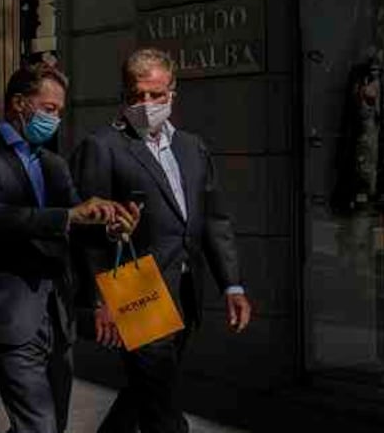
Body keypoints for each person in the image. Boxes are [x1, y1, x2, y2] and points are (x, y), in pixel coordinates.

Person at [70, 48, 251, 433]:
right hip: (136, 283)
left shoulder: (191, 146)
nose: (146, 104)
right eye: (137, 96)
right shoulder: (102, 146)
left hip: (185, 285)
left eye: (156, 95)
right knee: (160, 400)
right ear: (124, 95)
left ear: (172, 92)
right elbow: (87, 232)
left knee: (148, 387)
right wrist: (100, 299)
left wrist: (231, 283)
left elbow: (214, 219)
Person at [0, 61, 138, 433]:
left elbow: (77, 226)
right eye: (49, 109)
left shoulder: (54, 163)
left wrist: (109, 225)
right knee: (40, 426)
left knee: (51, 422)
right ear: (20, 104)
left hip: (57, 316)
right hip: (8, 314)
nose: (55, 120)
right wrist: (68, 216)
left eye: (59, 112)